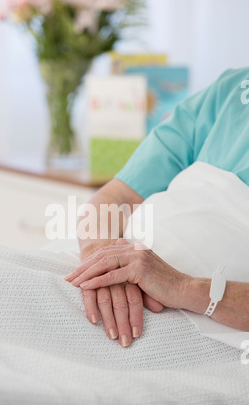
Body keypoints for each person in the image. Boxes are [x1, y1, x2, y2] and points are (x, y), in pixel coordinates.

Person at [66, 68, 249, 348]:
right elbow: (116, 196)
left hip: (180, 315)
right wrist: (103, 262)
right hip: (101, 264)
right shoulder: (232, 90)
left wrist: (185, 288)